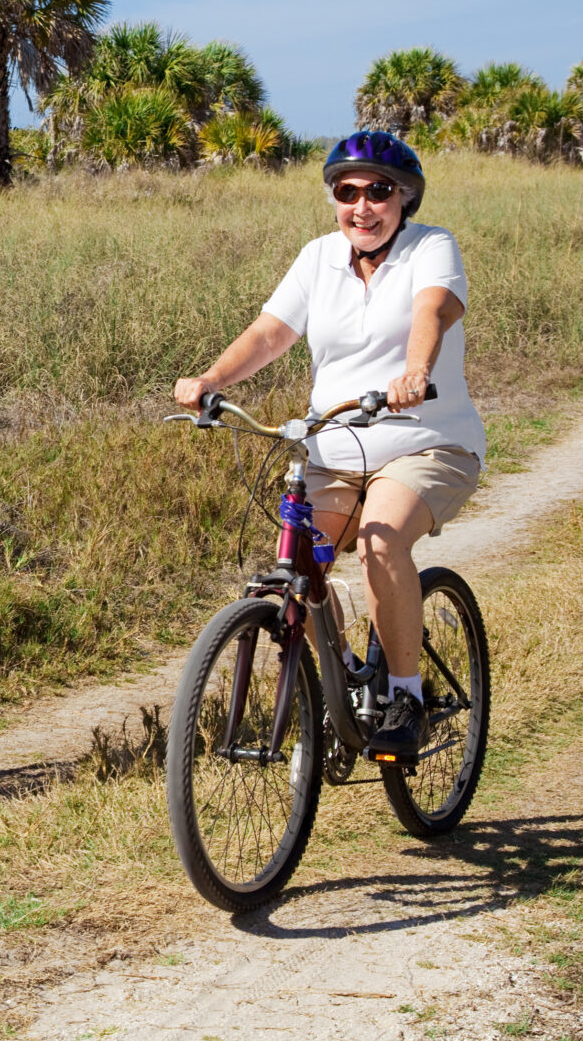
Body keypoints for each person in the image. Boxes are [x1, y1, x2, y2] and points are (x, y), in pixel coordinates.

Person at [172, 130, 485, 762]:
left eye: (379, 192)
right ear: (333, 199)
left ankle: (405, 695)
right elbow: (269, 333)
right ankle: (340, 673)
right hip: (334, 444)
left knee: (379, 539)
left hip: (427, 441)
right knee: (300, 566)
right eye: (348, 192)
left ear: (405, 198)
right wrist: (211, 379)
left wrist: (415, 372)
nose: (362, 206)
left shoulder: (431, 248)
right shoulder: (318, 258)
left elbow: (432, 312)